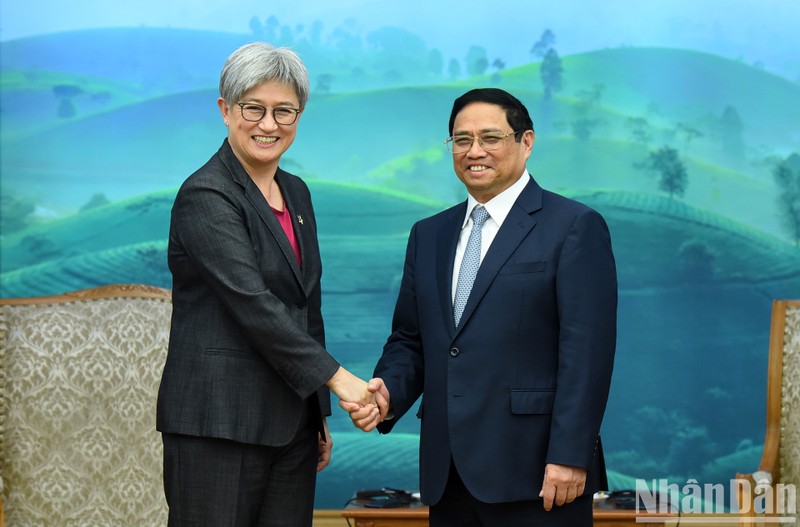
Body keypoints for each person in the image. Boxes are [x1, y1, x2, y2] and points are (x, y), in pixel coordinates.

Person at [343, 88, 617, 526]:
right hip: (448, 474)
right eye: (461, 140)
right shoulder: (428, 234)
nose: (475, 151)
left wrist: (569, 455)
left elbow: (587, 354)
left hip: (539, 474)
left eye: (490, 138)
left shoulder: (574, 227)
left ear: (526, 142)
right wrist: (388, 393)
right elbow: (411, 340)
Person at [156, 42, 380, 526]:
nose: (269, 124)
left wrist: (316, 412)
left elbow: (306, 305)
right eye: (254, 108)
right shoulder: (206, 193)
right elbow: (252, 303)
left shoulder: (296, 192)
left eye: (285, 111)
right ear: (225, 110)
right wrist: (340, 380)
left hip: (291, 426)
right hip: (218, 425)